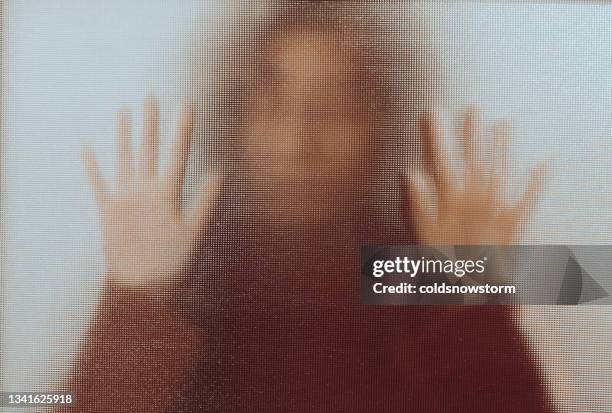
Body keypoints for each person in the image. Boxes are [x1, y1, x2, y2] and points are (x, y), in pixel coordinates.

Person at [64, 3, 552, 412]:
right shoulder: (194, 276)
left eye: (334, 107)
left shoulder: (412, 272)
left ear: (378, 129)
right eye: (277, 103)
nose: (303, 140)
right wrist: (137, 295)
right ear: (235, 121)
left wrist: (474, 291)